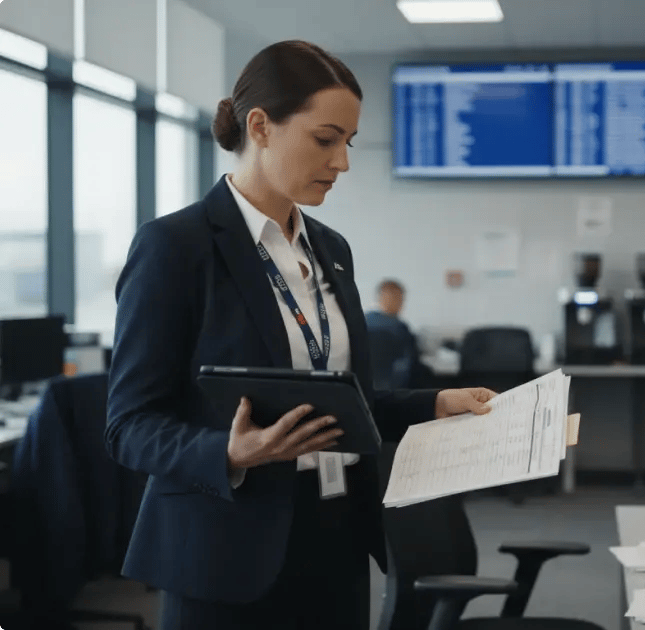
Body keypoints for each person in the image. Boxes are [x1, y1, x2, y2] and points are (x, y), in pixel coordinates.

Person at [105, 40, 495, 630]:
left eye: (348, 143)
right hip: (225, 546)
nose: (341, 162)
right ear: (260, 126)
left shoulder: (331, 249)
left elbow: (340, 401)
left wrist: (436, 403)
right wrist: (229, 453)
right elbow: (128, 426)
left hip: (335, 534)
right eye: (325, 138)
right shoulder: (175, 248)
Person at [364, 279, 430, 388]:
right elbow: (414, 357)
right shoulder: (399, 327)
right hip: (398, 386)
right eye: (399, 299)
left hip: (367, 385)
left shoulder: (363, 321)